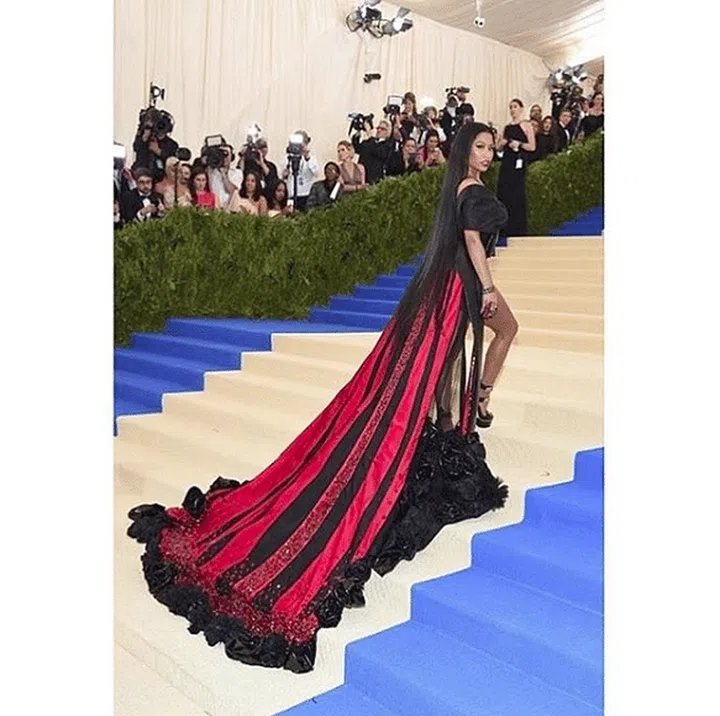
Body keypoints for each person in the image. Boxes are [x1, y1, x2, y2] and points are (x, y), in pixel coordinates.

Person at [127, 122, 512, 674]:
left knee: (436, 367)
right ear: (463, 152)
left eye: (491, 146)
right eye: (481, 146)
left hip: (446, 288)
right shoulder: (469, 191)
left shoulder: (458, 189)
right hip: (458, 289)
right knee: (433, 369)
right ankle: (461, 416)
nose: (488, 153)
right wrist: (489, 287)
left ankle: (459, 418)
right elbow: (474, 242)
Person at [496, 98, 536, 237]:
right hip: (507, 162)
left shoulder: (526, 125)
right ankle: (504, 227)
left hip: (519, 162)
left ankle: (518, 228)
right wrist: (502, 143)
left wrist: (519, 144)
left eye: (515, 106)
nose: (513, 110)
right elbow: (498, 147)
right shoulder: (506, 127)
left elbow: (532, 146)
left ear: (521, 108)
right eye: (511, 107)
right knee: (504, 192)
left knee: (517, 194)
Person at [282, 130, 320, 212]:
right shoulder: (287, 158)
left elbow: (316, 173)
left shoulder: (311, 159)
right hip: (292, 193)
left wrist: (307, 156)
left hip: (307, 194)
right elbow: (282, 175)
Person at [351, 118, 395, 185]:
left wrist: (370, 135)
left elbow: (379, 153)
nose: (379, 130)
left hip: (374, 179)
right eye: (378, 128)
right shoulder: (368, 141)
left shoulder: (388, 144)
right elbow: (357, 149)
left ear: (388, 132)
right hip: (361, 176)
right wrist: (357, 135)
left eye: (382, 129)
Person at [208, 144, 244, 211]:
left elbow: (232, 191)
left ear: (232, 157)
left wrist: (224, 175)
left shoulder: (237, 173)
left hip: (230, 209)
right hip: (214, 209)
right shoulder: (211, 172)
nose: (223, 157)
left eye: (226, 154)